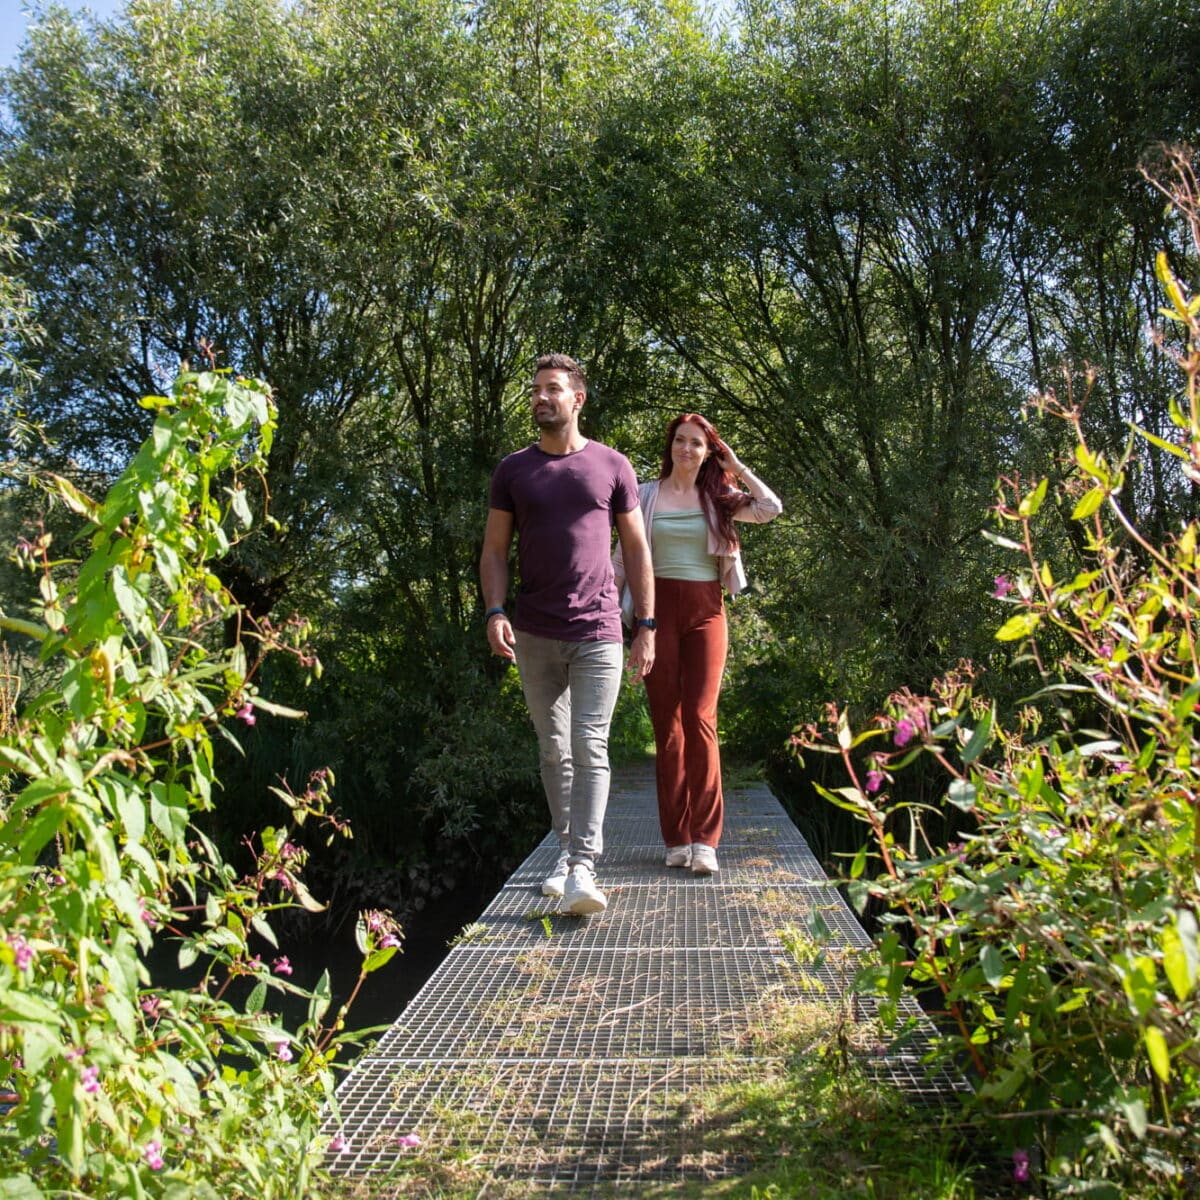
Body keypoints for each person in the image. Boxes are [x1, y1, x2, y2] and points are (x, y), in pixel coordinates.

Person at [480, 353, 656, 916]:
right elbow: (493, 550)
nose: (541, 397)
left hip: (599, 628)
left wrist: (645, 625)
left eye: (552, 389)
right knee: (553, 748)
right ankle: (562, 851)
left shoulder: (611, 465)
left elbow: (636, 549)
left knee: (589, 743)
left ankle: (584, 864)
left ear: (577, 399)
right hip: (532, 631)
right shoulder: (514, 470)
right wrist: (495, 610)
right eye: (536, 389)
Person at [615, 412, 781, 875]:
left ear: (709, 452)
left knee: (701, 719)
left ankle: (705, 841)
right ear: (670, 445)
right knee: (667, 728)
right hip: (655, 613)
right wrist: (611, 614)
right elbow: (623, 559)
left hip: (707, 610)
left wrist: (737, 465)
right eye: (681, 441)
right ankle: (677, 837)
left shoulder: (720, 497)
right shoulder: (644, 495)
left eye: (698, 444)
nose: (687, 449)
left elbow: (770, 508)